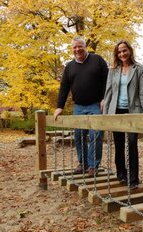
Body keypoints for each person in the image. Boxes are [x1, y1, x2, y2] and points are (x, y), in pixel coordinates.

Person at [54, 36, 108, 177]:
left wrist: (104, 98)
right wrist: (60, 106)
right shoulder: (69, 67)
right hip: (78, 107)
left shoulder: (98, 60)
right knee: (79, 136)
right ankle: (83, 163)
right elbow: (64, 87)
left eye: (80, 46)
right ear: (72, 49)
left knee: (95, 135)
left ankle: (93, 166)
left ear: (85, 47)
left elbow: (108, 81)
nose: (77, 49)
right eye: (74, 47)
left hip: (96, 105)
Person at [103, 40, 143, 189]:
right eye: (119, 51)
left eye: (124, 50)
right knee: (118, 145)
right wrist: (105, 114)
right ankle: (121, 174)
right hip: (116, 111)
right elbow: (109, 92)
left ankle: (133, 179)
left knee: (131, 144)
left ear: (130, 50)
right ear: (117, 54)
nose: (122, 54)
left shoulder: (139, 69)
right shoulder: (113, 70)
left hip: (133, 111)